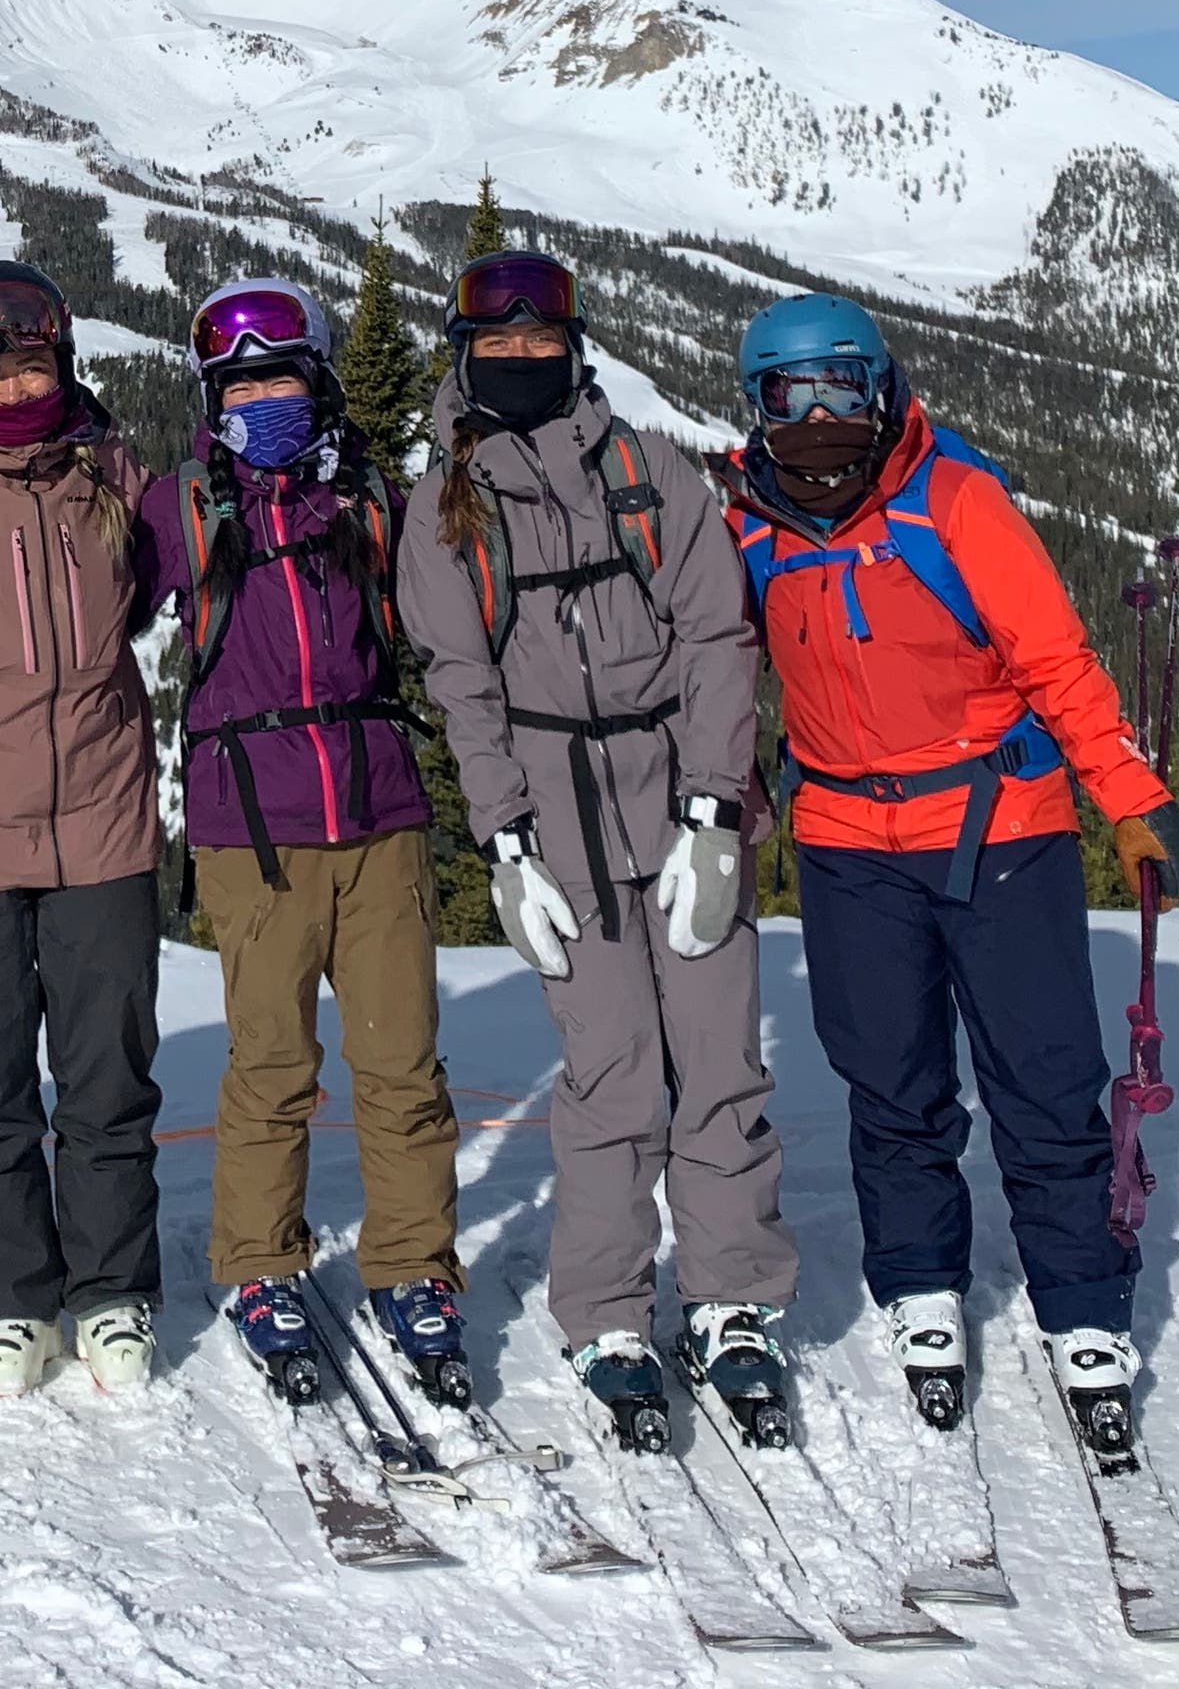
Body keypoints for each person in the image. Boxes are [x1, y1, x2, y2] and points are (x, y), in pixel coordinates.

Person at [721, 293, 1179, 1451]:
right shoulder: (749, 529)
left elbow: (1058, 662)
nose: (822, 414)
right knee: (891, 1080)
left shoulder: (954, 501)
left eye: (843, 387)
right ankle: (920, 1278)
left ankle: (1080, 1303)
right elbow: (719, 676)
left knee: (1042, 1074)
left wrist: (1130, 798)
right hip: (845, 841)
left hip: (998, 828)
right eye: (794, 395)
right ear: (759, 407)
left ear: (880, 391)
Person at [393, 246, 799, 1454]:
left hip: (678, 786)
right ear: (465, 358)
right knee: (612, 1068)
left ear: (572, 349)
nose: (523, 361)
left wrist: (719, 807)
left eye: (542, 344)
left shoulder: (645, 468)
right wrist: (505, 840)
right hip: (559, 807)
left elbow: (720, 636)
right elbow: (463, 684)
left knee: (720, 1057)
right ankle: (609, 1308)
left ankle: (732, 1298)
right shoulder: (446, 505)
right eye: (498, 348)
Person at [139, 278, 461, 1404]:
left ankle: (414, 1262)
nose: (264, 400)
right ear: (212, 397)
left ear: (317, 380)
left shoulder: (374, 499)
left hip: (381, 817)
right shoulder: (181, 508)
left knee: (400, 1061)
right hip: (255, 829)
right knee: (271, 1064)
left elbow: (455, 599)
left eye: (281, 378)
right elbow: (101, 602)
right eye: (242, 384)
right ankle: (261, 1262)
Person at [0, 260, 165, 1400]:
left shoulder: (114, 475)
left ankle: (110, 1291)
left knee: (106, 1083)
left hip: (102, 826)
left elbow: (152, 594)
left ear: (65, 358)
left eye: (32, 363)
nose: (11, 388)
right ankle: (14, 1299)